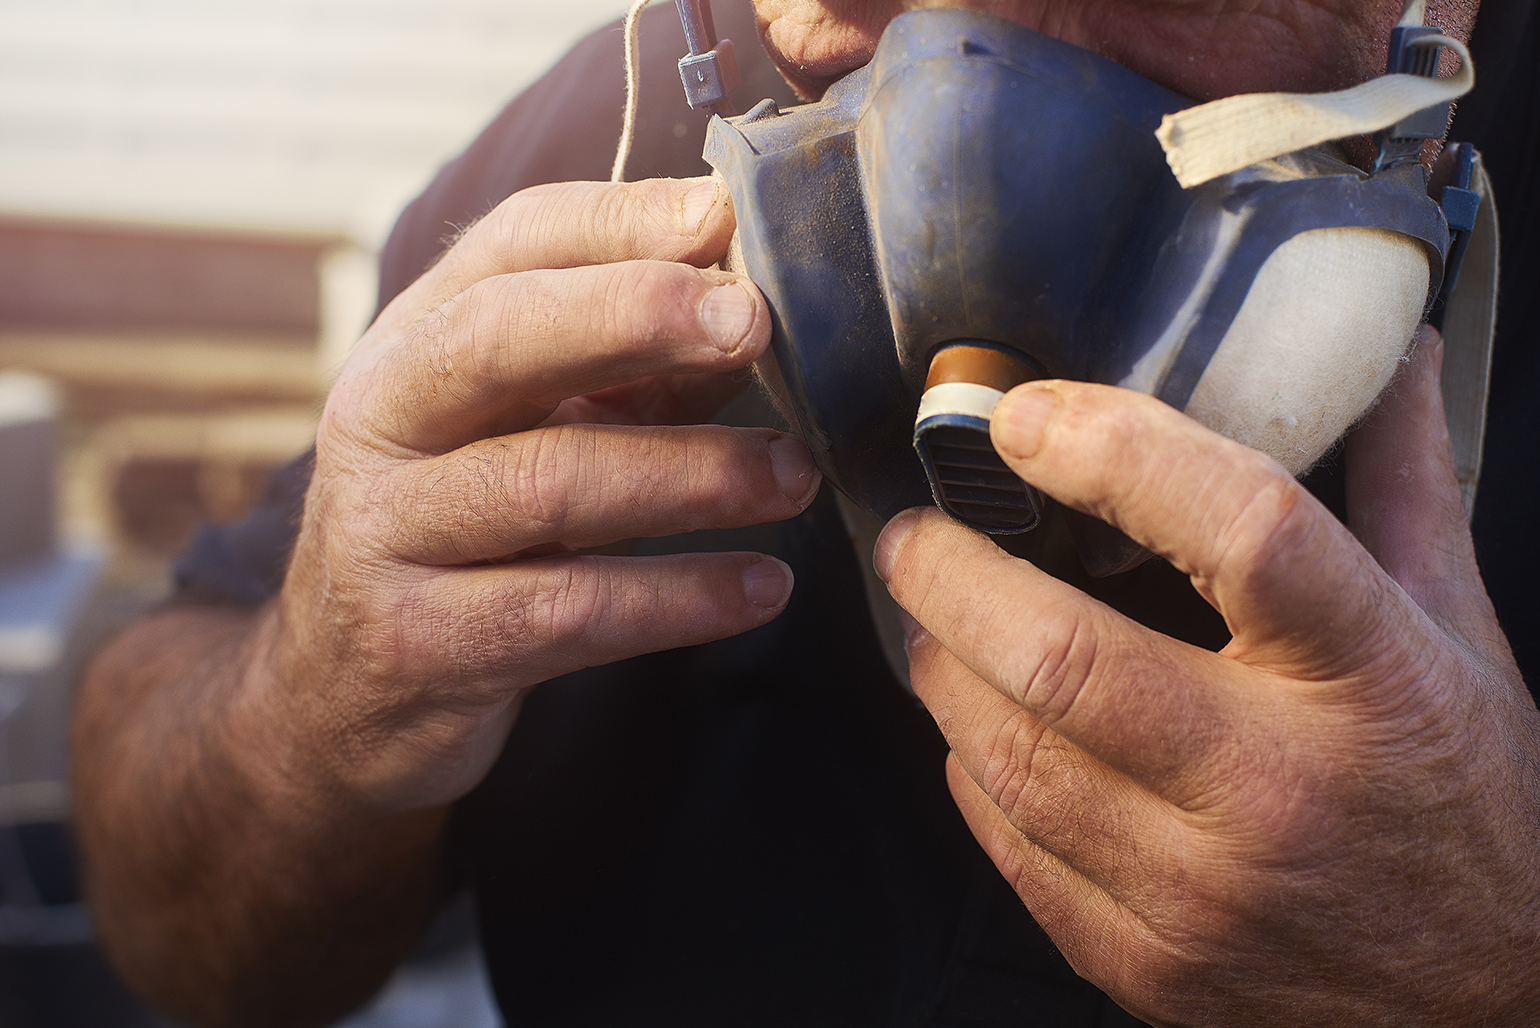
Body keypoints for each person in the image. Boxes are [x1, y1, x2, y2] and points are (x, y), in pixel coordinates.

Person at [73, 1, 1540, 1025]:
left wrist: (1493, 964)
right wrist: (304, 711)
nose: (961, 81)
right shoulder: (611, 126)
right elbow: (194, 947)